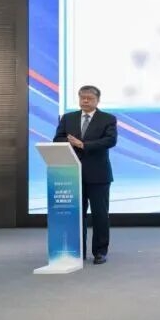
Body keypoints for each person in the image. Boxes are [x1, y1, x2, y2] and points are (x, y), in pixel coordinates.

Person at [53, 85, 117, 265]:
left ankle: (100, 252)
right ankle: (77, 251)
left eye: (89, 98)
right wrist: (70, 142)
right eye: (82, 98)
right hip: (73, 174)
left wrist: (83, 145)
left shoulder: (107, 119)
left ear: (98, 100)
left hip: (99, 175)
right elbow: (57, 139)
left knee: (100, 215)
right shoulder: (68, 118)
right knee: (77, 215)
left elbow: (110, 141)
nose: (85, 101)